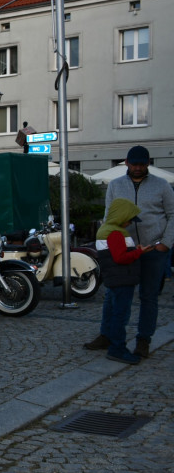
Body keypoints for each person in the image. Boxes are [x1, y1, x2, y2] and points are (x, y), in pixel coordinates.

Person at [84, 146, 174, 357]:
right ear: (127, 162)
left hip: (153, 248)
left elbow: (172, 214)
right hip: (122, 250)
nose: (138, 168)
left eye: (142, 164)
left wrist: (166, 243)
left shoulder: (162, 186)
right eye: (134, 164)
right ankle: (107, 335)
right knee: (113, 295)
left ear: (148, 163)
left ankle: (143, 339)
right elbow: (109, 216)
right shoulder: (115, 185)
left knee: (149, 296)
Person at [94, 198, 153, 365]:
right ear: (121, 216)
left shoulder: (107, 230)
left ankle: (112, 344)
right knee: (121, 315)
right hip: (122, 278)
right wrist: (139, 252)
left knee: (113, 312)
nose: (129, 223)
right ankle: (117, 349)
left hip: (115, 279)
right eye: (129, 219)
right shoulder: (115, 233)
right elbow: (120, 258)